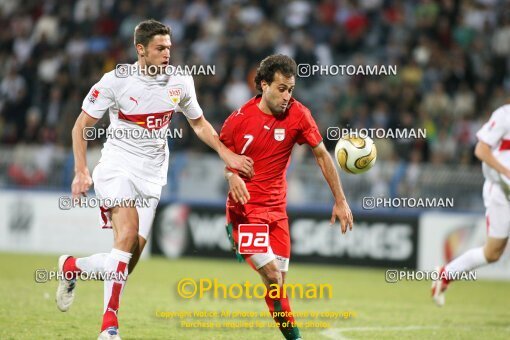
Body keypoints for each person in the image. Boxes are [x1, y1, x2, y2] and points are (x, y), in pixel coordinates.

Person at [55, 19, 253, 340]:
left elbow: (199, 124)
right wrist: (81, 170)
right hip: (117, 166)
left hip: (152, 175)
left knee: (127, 261)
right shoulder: (115, 81)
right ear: (141, 50)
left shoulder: (180, 81)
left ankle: (71, 267)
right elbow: (80, 127)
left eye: (169, 48)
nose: (166, 54)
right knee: (127, 233)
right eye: (160, 48)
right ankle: (109, 327)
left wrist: (224, 153)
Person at [219, 54, 353, 340]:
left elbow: (322, 156)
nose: (287, 96)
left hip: (277, 213)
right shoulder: (237, 121)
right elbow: (227, 161)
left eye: (291, 89)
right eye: (281, 89)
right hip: (245, 212)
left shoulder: (299, 114)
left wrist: (340, 200)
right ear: (264, 85)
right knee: (272, 275)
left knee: (277, 287)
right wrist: (231, 176)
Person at [432, 103, 510, 306]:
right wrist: (506, 172)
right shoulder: (504, 115)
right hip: (502, 192)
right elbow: (481, 150)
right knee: (492, 253)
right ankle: (445, 274)